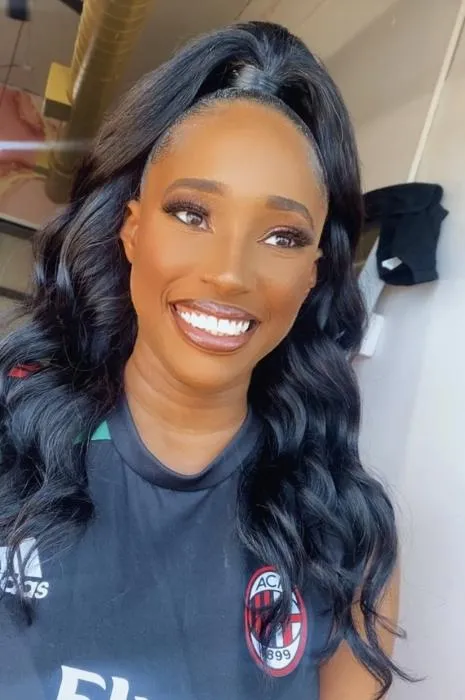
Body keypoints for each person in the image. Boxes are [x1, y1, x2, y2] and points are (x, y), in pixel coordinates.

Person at [0, 21, 408, 700]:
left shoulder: (346, 537)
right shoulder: (12, 447)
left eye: (282, 236)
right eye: (192, 213)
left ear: (312, 272)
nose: (229, 273)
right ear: (133, 230)